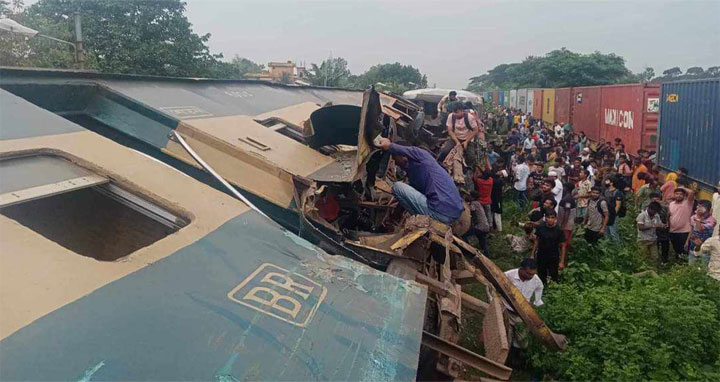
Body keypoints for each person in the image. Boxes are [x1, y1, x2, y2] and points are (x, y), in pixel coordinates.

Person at [378, 138, 463, 224]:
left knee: (397, 187)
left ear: (403, 155)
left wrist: (389, 145)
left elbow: (405, 150)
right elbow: (411, 200)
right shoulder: (422, 168)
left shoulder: (421, 154)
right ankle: (422, 220)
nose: (395, 163)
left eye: (395, 159)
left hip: (440, 213)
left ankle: (421, 220)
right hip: (453, 215)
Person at [532, 209, 567, 284]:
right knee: (541, 273)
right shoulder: (541, 227)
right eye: (548, 217)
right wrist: (532, 254)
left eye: (552, 218)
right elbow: (536, 241)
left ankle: (554, 289)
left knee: (553, 274)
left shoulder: (559, 230)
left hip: (553, 256)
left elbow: (563, 246)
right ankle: (542, 287)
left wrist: (562, 261)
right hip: (541, 254)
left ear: (555, 218)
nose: (550, 220)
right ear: (545, 218)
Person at [668, 187, 695, 259]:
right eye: (677, 194)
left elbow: (691, 193)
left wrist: (682, 187)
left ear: (684, 196)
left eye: (681, 194)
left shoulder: (688, 203)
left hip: (684, 231)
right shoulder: (671, 204)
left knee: (684, 250)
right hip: (673, 231)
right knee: (676, 250)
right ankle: (678, 265)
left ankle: (684, 265)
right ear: (674, 195)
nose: (679, 195)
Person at [687, 200, 717, 266]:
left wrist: (698, 218)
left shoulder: (712, 220)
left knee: (704, 266)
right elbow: (692, 230)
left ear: (708, 209)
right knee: (691, 265)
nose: (698, 208)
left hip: (705, 247)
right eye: (698, 206)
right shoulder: (693, 217)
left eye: (701, 207)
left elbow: (699, 229)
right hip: (693, 245)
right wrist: (687, 241)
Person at [464, 191, 491, 256]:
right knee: (482, 241)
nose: (468, 197)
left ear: (472, 197)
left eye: (469, 196)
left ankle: (468, 251)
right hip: (485, 226)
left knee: (463, 234)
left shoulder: (474, 203)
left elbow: (470, 210)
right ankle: (487, 255)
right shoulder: (478, 203)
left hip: (479, 227)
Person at [649, 192, 671, 264]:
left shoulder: (665, 207)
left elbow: (668, 216)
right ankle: (655, 260)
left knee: (665, 245)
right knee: (654, 246)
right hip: (653, 231)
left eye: (657, 199)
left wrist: (667, 224)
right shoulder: (647, 208)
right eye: (653, 200)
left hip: (663, 230)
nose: (655, 201)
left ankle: (665, 261)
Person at [603, 177, 623, 242]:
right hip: (606, 215)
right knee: (606, 232)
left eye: (607, 180)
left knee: (613, 232)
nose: (605, 182)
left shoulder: (617, 193)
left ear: (612, 183)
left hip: (613, 216)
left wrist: (613, 215)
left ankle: (617, 248)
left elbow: (618, 206)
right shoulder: (606, 191)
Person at [558, 183, 577, 252]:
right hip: (568, 223)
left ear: (566, 188)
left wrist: (563, 225)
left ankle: (564, 255)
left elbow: (567, 212)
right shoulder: (568, 197)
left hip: (566, 224)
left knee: (564, 241)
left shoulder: (567, 199)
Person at [490, 162, 507, 231]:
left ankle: (494, 227)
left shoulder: (492, 180)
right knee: (497, 213)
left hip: (493, 198)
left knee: (492, 213)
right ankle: (499, 228)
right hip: (498, 199)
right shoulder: (500, 180)